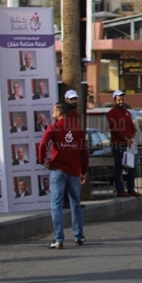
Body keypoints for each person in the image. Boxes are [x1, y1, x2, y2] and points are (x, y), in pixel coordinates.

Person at [39, 102, 88, 249]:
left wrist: (43, 161)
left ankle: (59, 239)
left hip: (58, 170)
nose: (52, 113)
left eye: (54, 111)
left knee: (56, 205)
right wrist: (83, 171)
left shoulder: (54, 127)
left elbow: (42, 144)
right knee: (76, 205)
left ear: (59, 113)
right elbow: (84, 152)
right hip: (73, 171)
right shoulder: (78, 129)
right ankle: (78, 237)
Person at [107, 90, 138, 197]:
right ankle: (120, 190)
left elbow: (132, 127)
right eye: (119, 100)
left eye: (122, 100)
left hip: (129, 145)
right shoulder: (111, 113)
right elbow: (115, 129)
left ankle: (131, 189)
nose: (121, 102)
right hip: (118, 144)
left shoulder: (127, 112)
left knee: (133, 167)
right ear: (115, 100)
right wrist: (126, 139)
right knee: (119, 168)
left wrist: (131, 138)